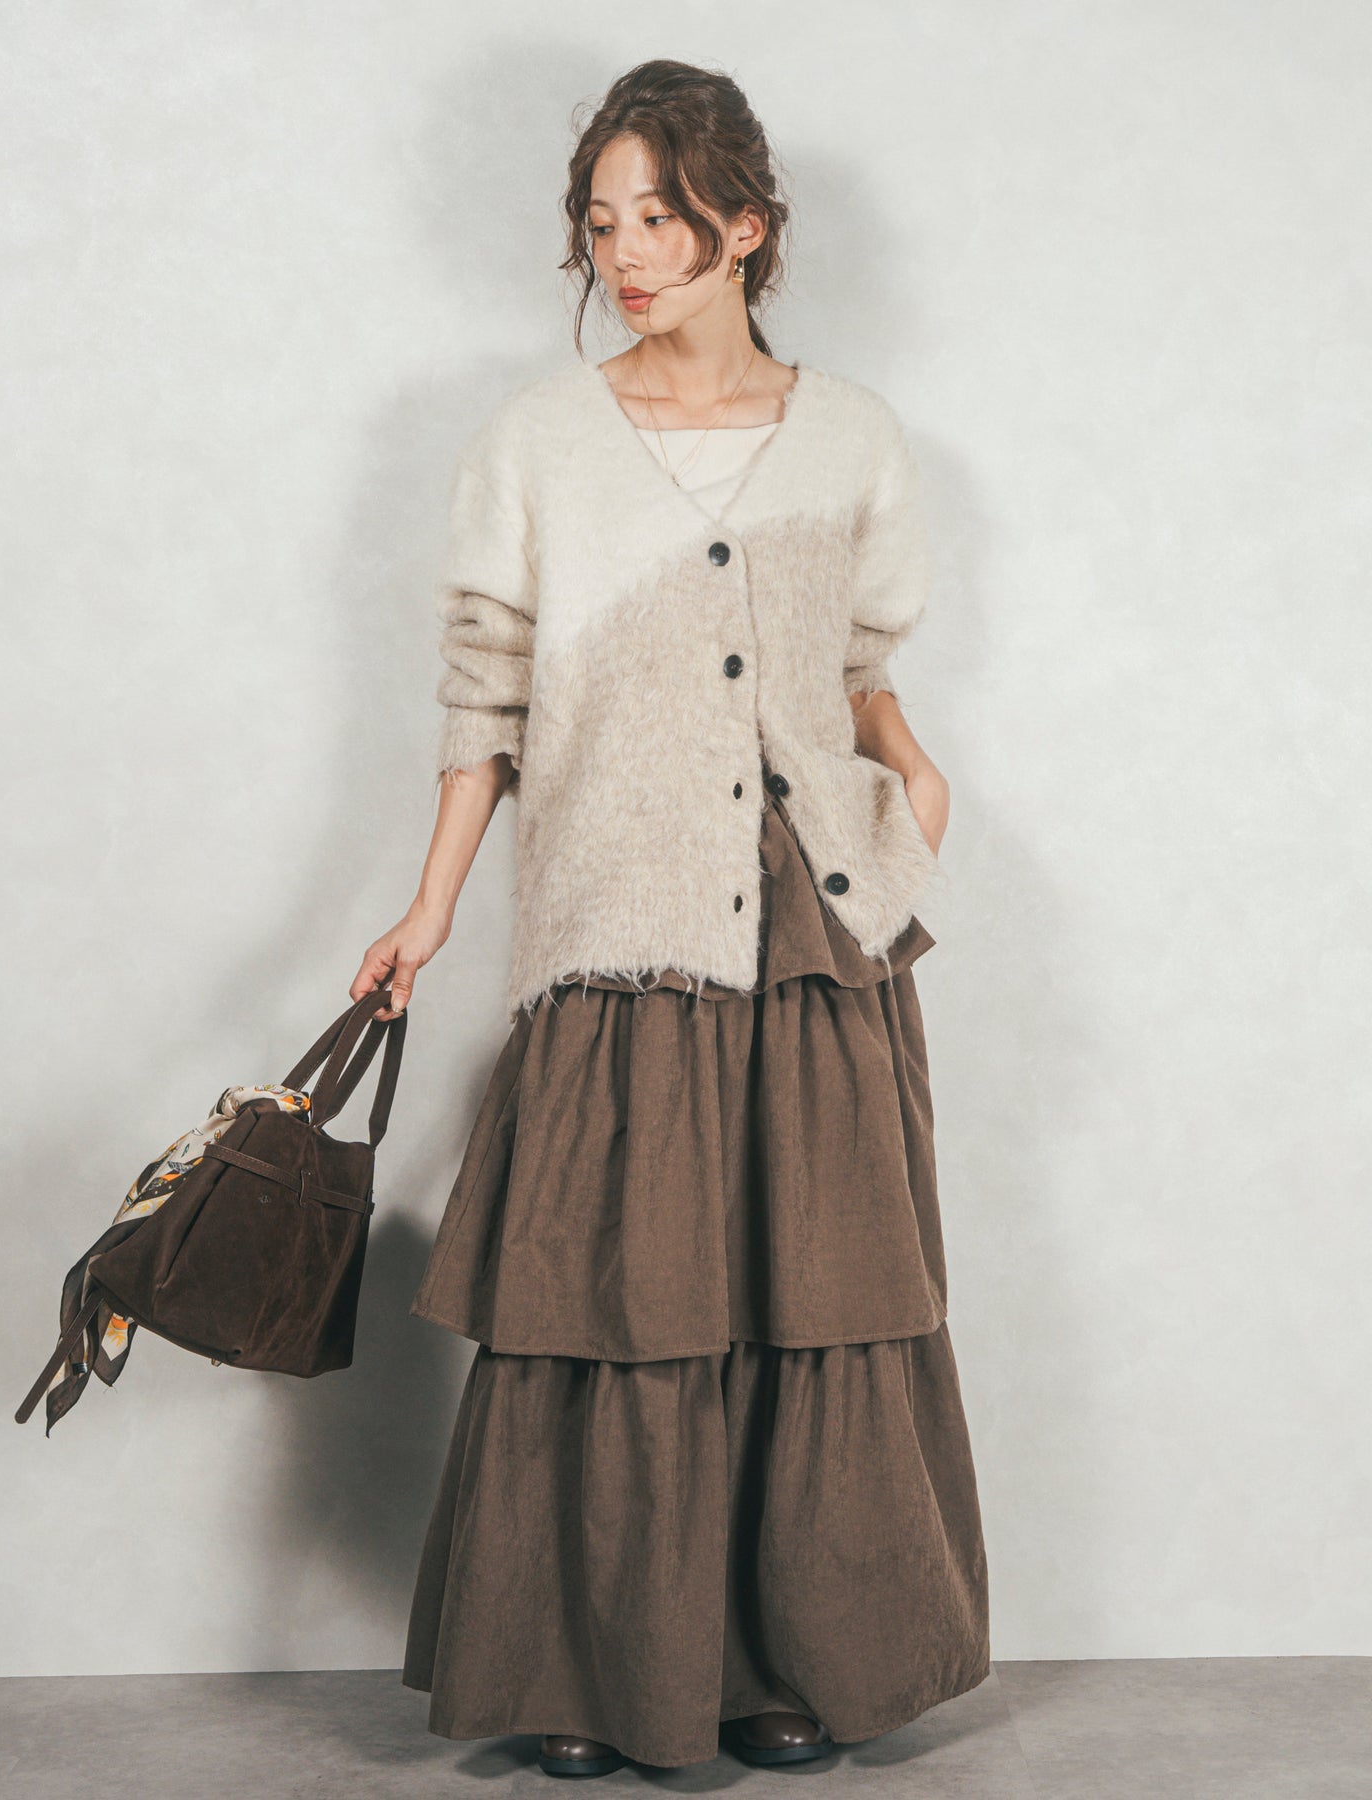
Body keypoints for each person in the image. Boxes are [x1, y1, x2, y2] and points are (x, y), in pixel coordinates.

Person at [350, 58, 990, 1779]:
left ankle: (787, 1662)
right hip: (617, 923)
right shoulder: (538, 444)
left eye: (660, 219)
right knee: (616, 1299)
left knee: (812, 1290)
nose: (624, 254)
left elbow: (863, 669)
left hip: (817, 931)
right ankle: (585, 1674)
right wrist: (428, 910)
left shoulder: (852, 436)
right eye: (602, 223)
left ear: (746, 229)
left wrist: (918, 788)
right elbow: (484, 698)